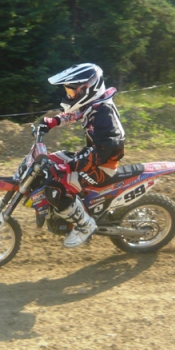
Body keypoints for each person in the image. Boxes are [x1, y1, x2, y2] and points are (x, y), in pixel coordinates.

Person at [37, 63, 125, 248]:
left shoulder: (104, 112)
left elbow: (106, 148)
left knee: (56, 188)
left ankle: (85, 225)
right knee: (52, 159)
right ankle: (64, 209)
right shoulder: (93, 105)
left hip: (103, 166)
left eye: (72, 91)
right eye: (68, 91)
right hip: (92, 157)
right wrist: (53, 121)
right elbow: (75, 114)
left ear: (87, 88)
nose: (69, 95)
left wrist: (70, 166)